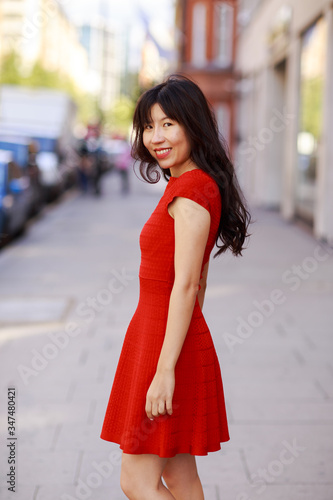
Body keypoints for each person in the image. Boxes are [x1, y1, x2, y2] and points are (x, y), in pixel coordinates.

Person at [100, 74, 252, 499]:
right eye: (149, 126)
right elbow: (197, 285)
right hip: (165, 336)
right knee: (180, 478)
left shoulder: (189, 193)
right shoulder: (193, 185)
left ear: (193, 125)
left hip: (164, 345)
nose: (155, 136)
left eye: (168, 124)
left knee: (137, 481)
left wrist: (166, 368)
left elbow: (188, 287)